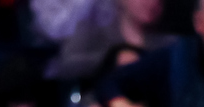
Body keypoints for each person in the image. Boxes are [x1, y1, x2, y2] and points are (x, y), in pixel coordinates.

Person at [46, 0, 174, 83]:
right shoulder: (94, 31)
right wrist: (110, 60)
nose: (151, 3)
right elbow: (64, 66)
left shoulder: (169, 44)